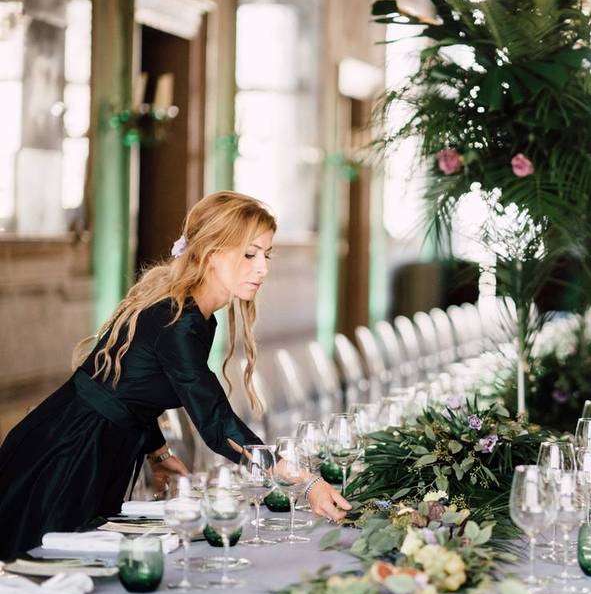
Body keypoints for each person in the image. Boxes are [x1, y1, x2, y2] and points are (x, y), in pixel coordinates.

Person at [0, 191, 350, 559]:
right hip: (69, 451)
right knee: (45, 572)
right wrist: (305, 481)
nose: (263, 268)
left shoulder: (197, 317)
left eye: (267, 254)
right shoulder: (178, 321)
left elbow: (128, 387)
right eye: (250, 254)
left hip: (96, 444)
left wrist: (157, 452)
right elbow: (217, 424)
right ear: (212, 254)